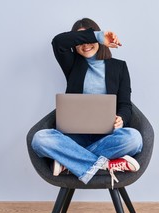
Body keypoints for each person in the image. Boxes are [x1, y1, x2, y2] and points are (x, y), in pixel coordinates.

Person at [31, 18, 143, 187]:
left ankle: (68, 163)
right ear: (76, 44)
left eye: (89, 40)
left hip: (107, 137)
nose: (86, 45)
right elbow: (58, 42)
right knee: (39, 140)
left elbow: (125, 105)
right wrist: (97, 36)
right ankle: (105, 165)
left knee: (134, 139)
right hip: (74, 138)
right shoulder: (72, 64)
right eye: (81, 40)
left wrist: (121, 118)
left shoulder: (119, 67)